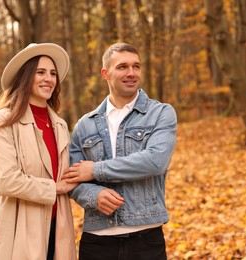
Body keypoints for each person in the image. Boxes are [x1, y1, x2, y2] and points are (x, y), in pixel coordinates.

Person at [63, 42, 177, 260]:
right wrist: (93, 196)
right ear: (105, 73)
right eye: (122, 67)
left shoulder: (160, 113)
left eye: (136, 66)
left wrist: (97, 170)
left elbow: (155, 161)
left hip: (145, 240)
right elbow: (72, 177)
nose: (131, 73)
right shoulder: (84, 125)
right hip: (97, 240)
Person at [0, 43, 77, 260]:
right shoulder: (3, 121)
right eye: (40, 72)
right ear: (25, 77)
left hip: (56, 228)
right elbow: (4, 180)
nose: (48, 79)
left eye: (53, 73)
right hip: (16, 229)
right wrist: (54, 187)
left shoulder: (59, 125)